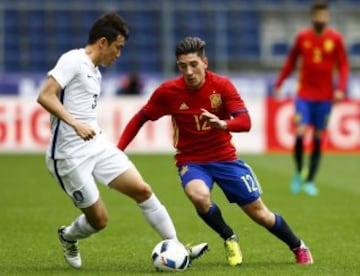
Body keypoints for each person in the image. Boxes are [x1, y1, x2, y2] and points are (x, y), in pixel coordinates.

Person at [117, 36, 314, 266]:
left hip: (226, 159)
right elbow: (140, 118)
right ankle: (229, 237)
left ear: (205, 63)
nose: (189, 71)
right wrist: (118, 150)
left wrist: (224, 124)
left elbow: (245, 121)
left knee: (260, 213)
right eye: (183, 66)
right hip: (192, 161)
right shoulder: (168, 92)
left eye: (193, 65)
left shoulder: (222, 86)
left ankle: (298, 246)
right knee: (198, 196)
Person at [37, 13, 207, 269]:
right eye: (118, 48)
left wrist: (86, 127)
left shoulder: (95, 72)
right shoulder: (73, 60)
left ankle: (177, 246)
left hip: (96, 144)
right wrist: (76, 124)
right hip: (68, 156)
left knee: (143, 190)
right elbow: (45, 96)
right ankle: (68, 236)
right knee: (99, 221)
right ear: (103, 42)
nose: (118, 55)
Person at [273, 1, 349, 196]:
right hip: (304, 96)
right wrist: (280, 82)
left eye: (324, 15)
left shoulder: (336, 39)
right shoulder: (302, 37)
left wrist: (340, 88)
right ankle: (299, 172)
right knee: (299, 132)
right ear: (312, 16)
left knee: (317, 137)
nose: (321, 18)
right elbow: (291, 61)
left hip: (325, 98)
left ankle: (310, 181)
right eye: (317, 15)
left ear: (328, 17)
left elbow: (343, 66)